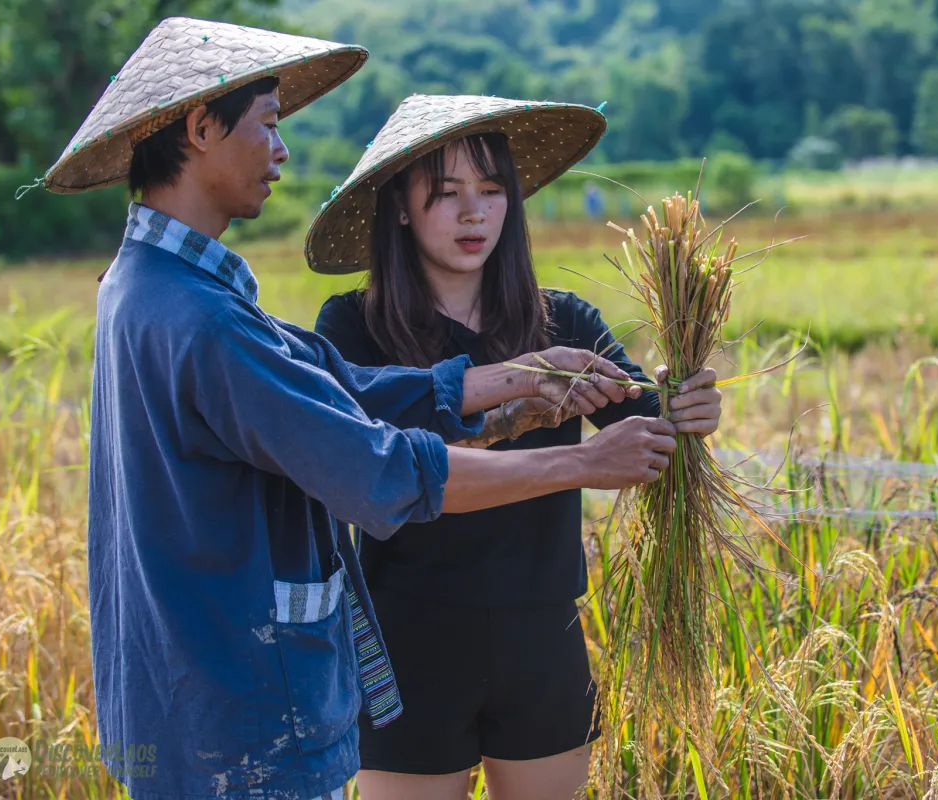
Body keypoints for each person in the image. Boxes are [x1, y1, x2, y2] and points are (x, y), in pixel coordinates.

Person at [42, 24, 677, 800]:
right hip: (240, 713)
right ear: (203, 128)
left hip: (201, 693)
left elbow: (332, 383)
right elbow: (379, 468)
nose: (282, 152)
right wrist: (580, 463)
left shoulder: (150, 285)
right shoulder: (198, 318)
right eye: (269, 124)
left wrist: (504, 380)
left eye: (490, 191)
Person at [305, 94, 723, 800]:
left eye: (493, 191)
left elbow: (652, 433)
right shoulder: (352, 326)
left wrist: (690, 409)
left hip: (543, 633)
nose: (475, 214)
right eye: (447, 194)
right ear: (401, 207)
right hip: (410, 636)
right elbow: (369, 458)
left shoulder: (564, 320)